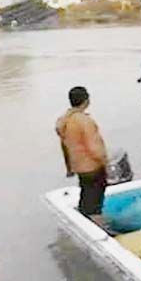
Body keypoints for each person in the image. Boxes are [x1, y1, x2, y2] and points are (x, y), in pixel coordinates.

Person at [56, 87, 109, 227]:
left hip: (78, 166)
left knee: (86, 194)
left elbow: (64, 146)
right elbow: (94, 147)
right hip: (92, 166)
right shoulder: (85, 121)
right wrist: (105, 162)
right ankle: (98, 225)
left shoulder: (64, 121)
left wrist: (69, 168)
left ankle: (84, 221)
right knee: (96, 198)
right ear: (86, 100)